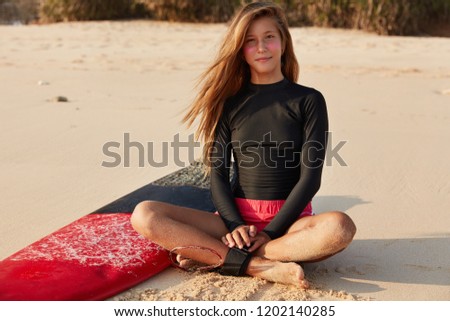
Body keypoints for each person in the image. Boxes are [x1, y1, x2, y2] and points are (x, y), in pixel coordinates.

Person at [131, 1, 356, 288]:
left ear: (283, 42)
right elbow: (218, 176)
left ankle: (221, 254)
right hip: (234, 220)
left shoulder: (308, 101)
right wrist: (235, 225)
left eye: (269, 37)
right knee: (145, 214)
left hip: (290, 224)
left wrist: (271, 232)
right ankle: (258, 265)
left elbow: (310, 179)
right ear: (241, 50)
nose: (261, 47)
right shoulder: (231, 104)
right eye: (250, 41)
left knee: (339, 228)